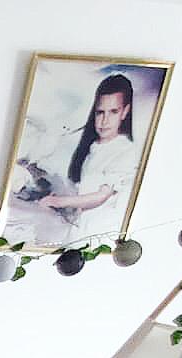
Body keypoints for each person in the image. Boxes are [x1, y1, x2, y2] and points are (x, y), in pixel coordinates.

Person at [37, 73, 140, 240]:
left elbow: (101, 196)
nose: (105, 120)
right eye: (100, 112)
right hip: (78, 229)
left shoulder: (126, 151)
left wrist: (58, 201)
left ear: (125, 112)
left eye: (113, 112)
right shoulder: (92, 147)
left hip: (100, 232)